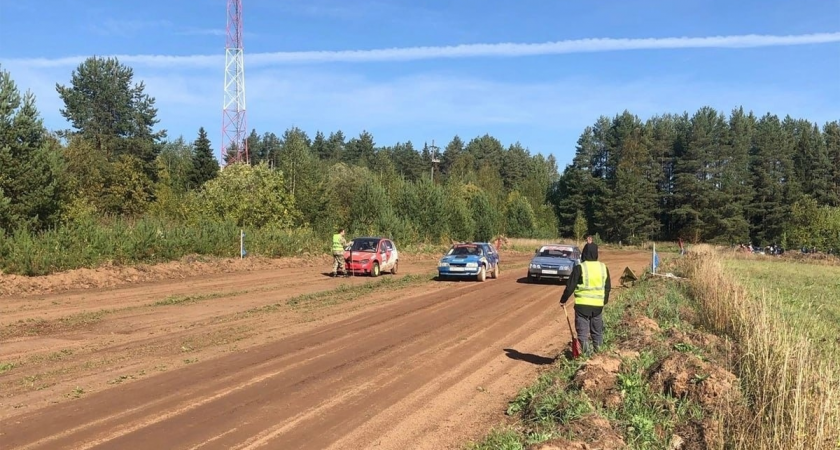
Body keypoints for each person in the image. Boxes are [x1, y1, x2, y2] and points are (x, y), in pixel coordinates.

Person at [560, 241, 611, 356]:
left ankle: (587, 356)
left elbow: (570, 286)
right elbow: (607, 287)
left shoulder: (580, 268)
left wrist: (563, 300)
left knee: (582, 334)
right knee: (597, 333)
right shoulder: (604, 268)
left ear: (584, 253)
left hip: (582, 307)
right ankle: (599, 356)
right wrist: (603, 301)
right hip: (598, 307)